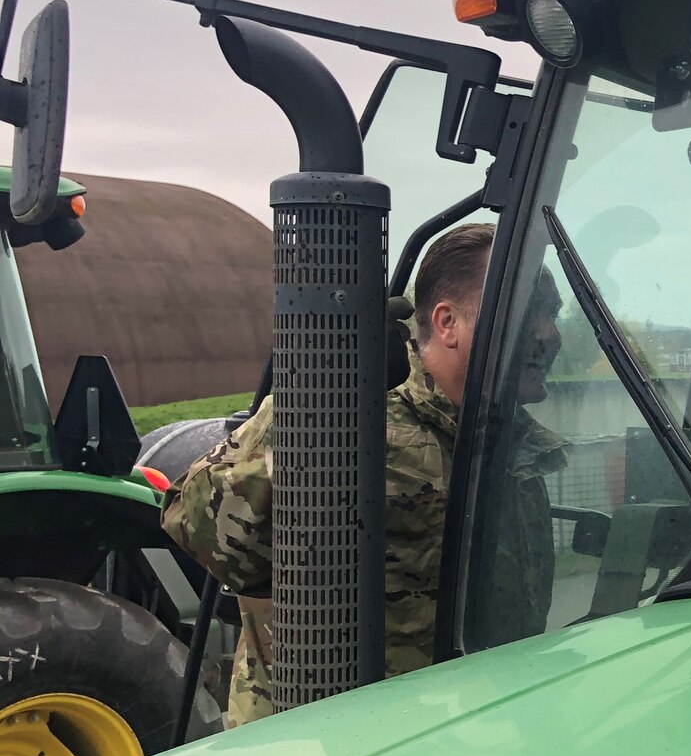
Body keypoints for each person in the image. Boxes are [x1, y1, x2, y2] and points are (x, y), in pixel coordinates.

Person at [164, 222, 565, 724]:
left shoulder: (507, 443)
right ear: (447, 323)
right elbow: (196, 528)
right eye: (531, 311)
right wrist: (309, 397)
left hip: (470, 729)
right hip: (329, 743)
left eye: (553, 313)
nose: (550, 333)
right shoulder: (353, 421)